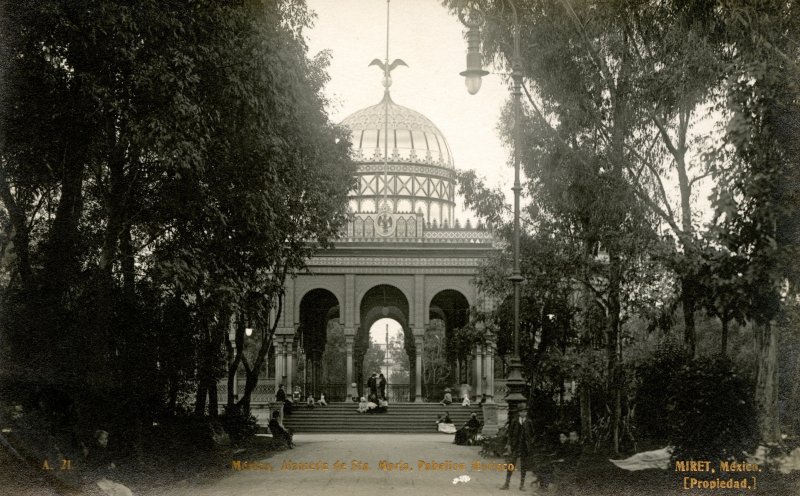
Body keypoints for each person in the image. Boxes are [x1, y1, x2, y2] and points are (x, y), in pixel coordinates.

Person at [501, 405, 535, 491]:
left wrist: (530, 443)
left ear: (526, 413)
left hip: (524, 447)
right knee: (511, 464)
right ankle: (506, 484)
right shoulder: (514, 421)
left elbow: (532, 434)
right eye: (521, 411)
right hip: (515, 446)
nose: (523, 413)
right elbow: (510, 434)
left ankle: (522, 485)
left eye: (525, 411)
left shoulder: (529, 422)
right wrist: (508, 444)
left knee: (524, 466)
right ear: (519, 413)